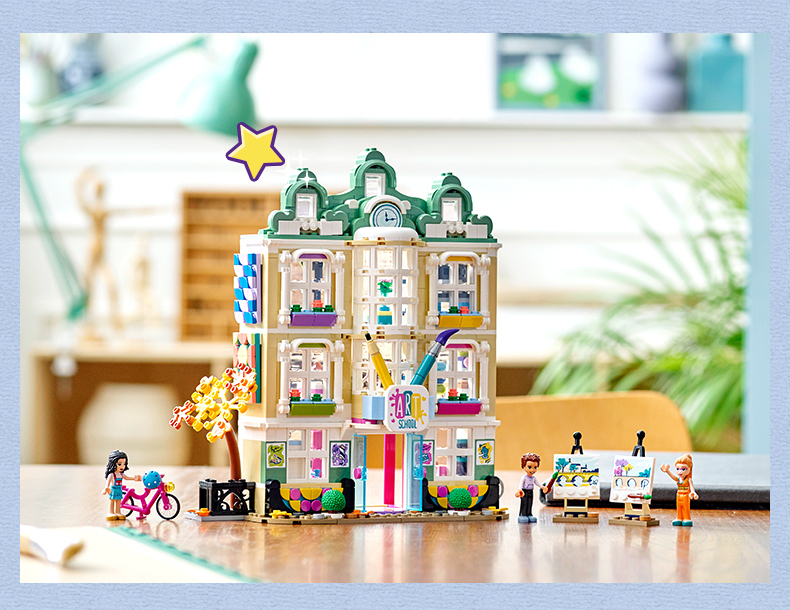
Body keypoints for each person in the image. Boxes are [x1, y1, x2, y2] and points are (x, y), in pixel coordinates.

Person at [102, 450, 141, 521]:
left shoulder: (121, 474)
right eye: (119, 464)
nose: (122, 466)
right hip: (113, 489)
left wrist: (135, 478)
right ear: (113, 463)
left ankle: (118, 512)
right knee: (112, 501)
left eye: (124, 464)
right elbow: (107, 483)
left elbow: (127, 478)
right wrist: (106, 488)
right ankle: (110, 512)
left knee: (118, 501)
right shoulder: (112, 475)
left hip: (119, 489)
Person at [660, 454, 698, 526]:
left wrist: (693, 493)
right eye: (677, 469)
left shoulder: (688, 480)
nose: (680, 471)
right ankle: (679, 518)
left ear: (689, 468)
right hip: (679, 494)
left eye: (683, 469)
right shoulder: (678, 479)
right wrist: (667, 471)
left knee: (685, 507)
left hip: (686, 495)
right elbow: (673, 477)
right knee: (679, 507)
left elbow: (692, 488)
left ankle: (687, 518)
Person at [515, 453, 548, 523]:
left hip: (531, 491)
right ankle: (523, 515)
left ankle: (529, 514)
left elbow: (537, 483)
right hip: (524, 492)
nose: (532, 470)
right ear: (523, 466)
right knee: (524, 503)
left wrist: (542, 487)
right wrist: (519, 490)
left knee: (530, 503)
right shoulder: (524, 478)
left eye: (535, 467)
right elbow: (520, 485)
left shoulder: (533, 478)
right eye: (529, 467)